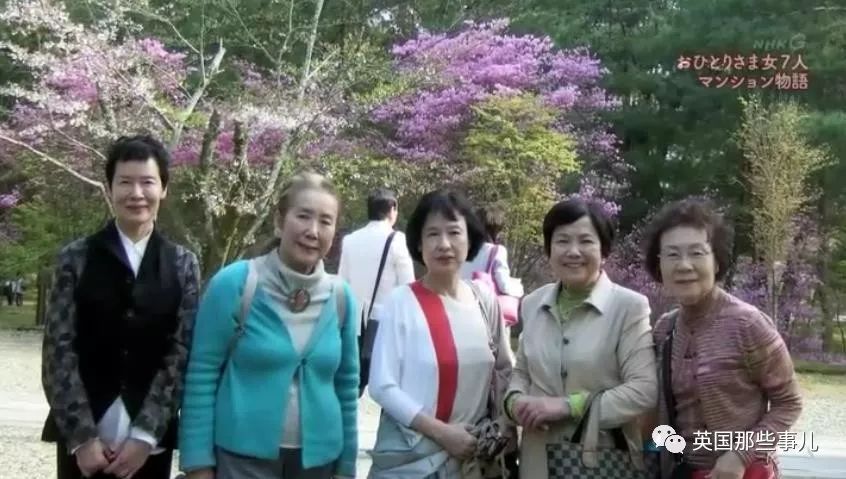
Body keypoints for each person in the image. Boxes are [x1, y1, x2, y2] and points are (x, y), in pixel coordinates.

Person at [178, 172, 359, 479]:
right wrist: (198, 464)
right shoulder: (235, 284)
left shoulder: (341, 297)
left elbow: (347, 385)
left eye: (325, 221)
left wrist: (346, 467)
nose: (313, 231)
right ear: (279, 220)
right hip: (241, 461)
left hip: (319, 464)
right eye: (303, 216)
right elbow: (201, 375)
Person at [41, 135, 201, 479]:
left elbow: (181, 351)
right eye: (125, 182)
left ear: (164, 189)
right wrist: (82, 438)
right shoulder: (75, 258)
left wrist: (145, 436)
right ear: (110, 188)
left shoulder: (182, 263)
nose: (136, 193)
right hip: (83, 445)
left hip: (149, 447)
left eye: (147, 182)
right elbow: (58, 351)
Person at [644, 199, 802, 479]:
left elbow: (788, 403)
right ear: (659, 265)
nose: (684, 265)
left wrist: (741, 455)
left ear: (716, 261)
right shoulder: (664, 329)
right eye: (672, 254)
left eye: (696, 253)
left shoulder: (747, 324)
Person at [503, 198, 658, 479]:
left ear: (604, 250)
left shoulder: (629, 307)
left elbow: (643, 390)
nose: (573, 251)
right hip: (537, 463)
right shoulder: (533, 303)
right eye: (562, 241)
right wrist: (515, 403)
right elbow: (522, 372)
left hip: (602, 462)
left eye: (586, 241)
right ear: (549, 249)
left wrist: (568, 406)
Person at [367, 189, 515, 479]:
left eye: (454, 232)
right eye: (433, 234)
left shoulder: (483, 300)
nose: (444, 244)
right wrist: (443, 433)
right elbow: (382, 385)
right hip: (413, 460)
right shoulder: (402, 301)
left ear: (470, 240)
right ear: (419, 243)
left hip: (474, 462)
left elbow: (504, 370)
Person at [338, 187, 415, 396]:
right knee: (391, 387)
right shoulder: (398, 240)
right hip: (386, 324)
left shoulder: (350, 240)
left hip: (353, 323)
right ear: (392, 209)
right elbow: (408, 287)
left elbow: (342, 283)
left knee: (352, 385)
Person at [460, 205, 523, 298]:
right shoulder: (497, 251)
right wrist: (519, 288)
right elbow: (504, 286)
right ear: (495, 230)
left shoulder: (461, 250)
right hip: (481, 303)